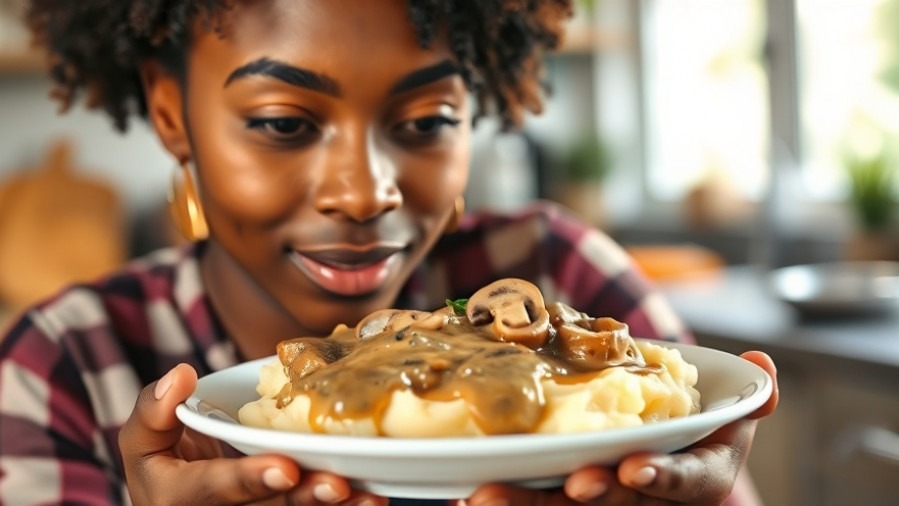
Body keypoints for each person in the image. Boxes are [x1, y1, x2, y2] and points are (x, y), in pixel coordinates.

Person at [0, 0, 779, 504]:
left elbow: (710, 474)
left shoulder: (559, 269)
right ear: (173, 115)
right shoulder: (59, 364)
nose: (366, 192)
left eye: (427, 120)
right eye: (283, 123)